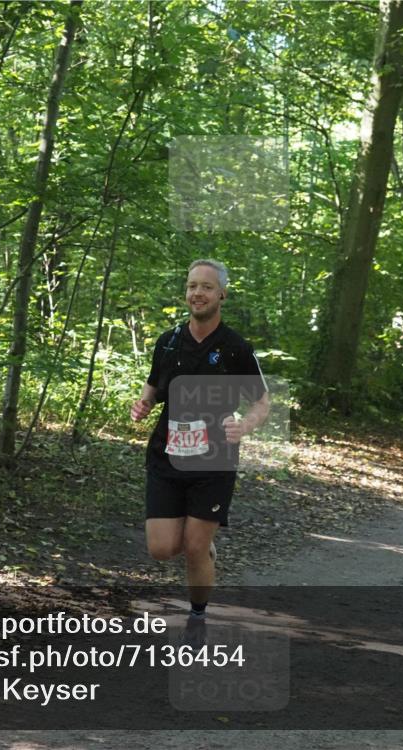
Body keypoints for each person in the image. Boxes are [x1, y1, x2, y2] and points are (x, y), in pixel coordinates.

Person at [131, 259, 269, 645]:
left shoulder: (235, 348)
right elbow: (154, 386)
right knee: (161, 549)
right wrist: (143, 405)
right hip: (167, 455)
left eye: (206, 287)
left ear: (221, 294)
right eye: (192, 286)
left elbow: (262, 403)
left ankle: (197, 616)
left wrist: (244, 425)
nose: (197, 293)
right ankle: (201, 543)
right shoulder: (169, 340)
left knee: (192, 547)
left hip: (214, 460)